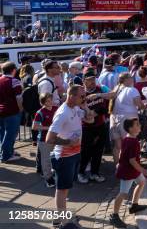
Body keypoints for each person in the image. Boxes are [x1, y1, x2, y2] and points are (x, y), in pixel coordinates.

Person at [46, 84, 86, 227]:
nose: (84, 98)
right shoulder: (62, 113)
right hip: (64, 156)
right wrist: (68, 141)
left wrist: (86, 106)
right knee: (62, 189)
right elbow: (49, 139)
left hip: (74, 154)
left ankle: (59, 216)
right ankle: (64, 223)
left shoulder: (75, 108)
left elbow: (89, 119)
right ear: (72, 96)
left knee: (65, 188)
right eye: (82, 96)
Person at [109, 117, 147, 228]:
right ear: (130, 129)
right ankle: (114, 216)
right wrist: (144, 170)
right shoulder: (133, 142)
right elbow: (132, 161)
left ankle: (134, 205)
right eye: (137, 125)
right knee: (123, 193)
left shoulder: (128, 138)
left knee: (141, 182)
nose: (140, 126)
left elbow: (124, 151)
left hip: (132, 170)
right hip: (128, 171)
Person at [78, 68, 112, 184]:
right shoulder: (81, 93)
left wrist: (95, 112)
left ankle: (94, 173)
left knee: (98, 151)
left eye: (93, 79)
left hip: (100, 125)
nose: (92, 82)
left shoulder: (100, 89)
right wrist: (89, 114)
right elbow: (78, 109)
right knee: (85, 151)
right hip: (86, 127)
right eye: (89, 80)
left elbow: (106, 105)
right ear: (84, 81)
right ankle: (80, 172)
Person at [109, 72, 144, 163]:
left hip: (114, 118)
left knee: (117, 146)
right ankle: (129, 166)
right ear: (126, 79)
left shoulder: (117, 88)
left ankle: (118, 167)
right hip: (127, 119)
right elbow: (138, 104)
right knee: (129, 144)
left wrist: (98, 95)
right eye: (131, 77)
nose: (132, 79)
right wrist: (145, 105)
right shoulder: (132, 90)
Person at [32, 92, 58, 187]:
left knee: (54, 157)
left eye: (51, 100)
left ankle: (51, 173)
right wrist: (49, 128)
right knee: (46, 160)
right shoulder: (40, 112)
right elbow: (34, 126)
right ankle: (48, 179)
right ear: (43, 102)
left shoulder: (56, 109)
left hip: (56, 138)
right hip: (44, 139)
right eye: (47, 101)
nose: (50, 102)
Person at [0, 61, 23, 162]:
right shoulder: (15, 81)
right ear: (13, 70)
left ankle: (9, 151)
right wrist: (21, 108)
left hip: (1, 111)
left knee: (3, 134)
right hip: (12, 111)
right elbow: (19, 98)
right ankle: (6, 156)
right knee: (10, 134)